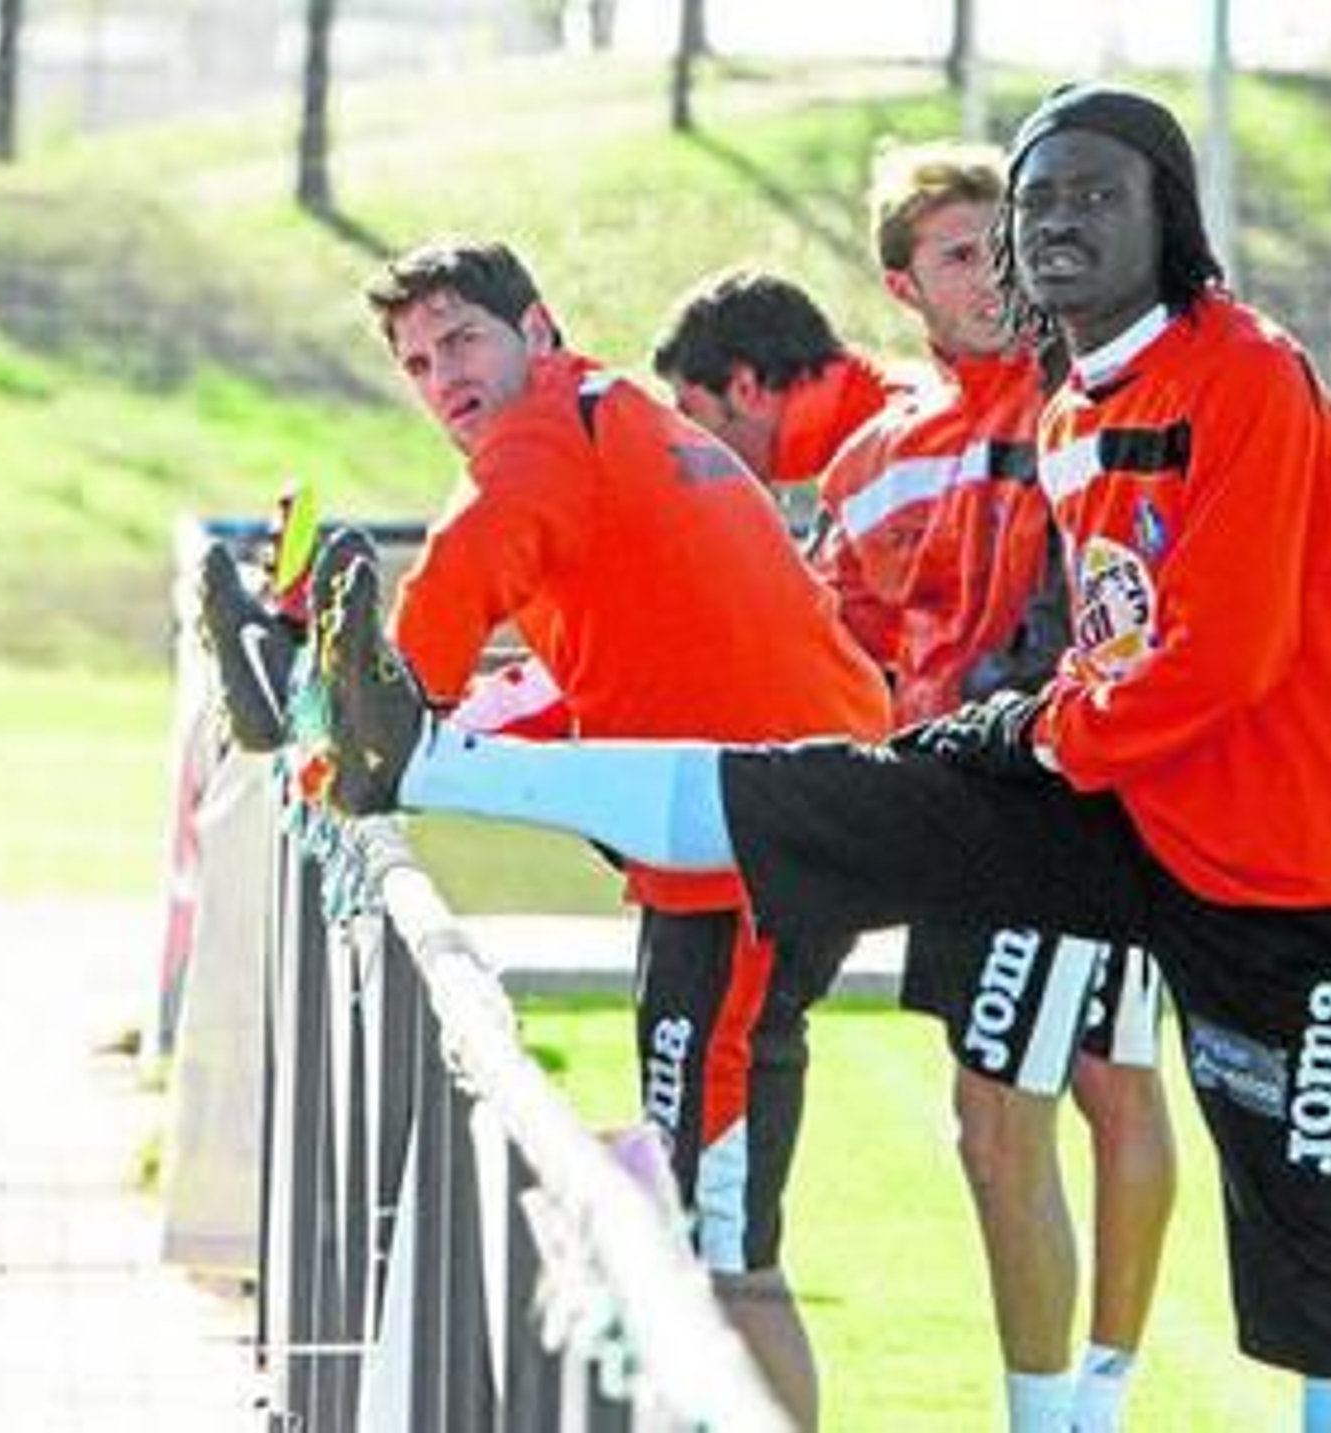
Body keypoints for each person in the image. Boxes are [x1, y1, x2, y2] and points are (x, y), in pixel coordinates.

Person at [301, 84, 1331, 1433]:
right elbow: (1109, 640)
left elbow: (1220, 656)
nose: (1061, 221)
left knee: (1321, 1263)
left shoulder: (1244, 373)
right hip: (1126, 802)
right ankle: (425, 763)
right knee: (807, 804)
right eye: (1037, 204)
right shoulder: (1075, 406)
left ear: (1169, 215)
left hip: (1293, 870)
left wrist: (1037, 726)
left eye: (1098, 192)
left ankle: (1095, 1395)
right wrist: (1016, 729)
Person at [205, 237, 892, 1430]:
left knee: (710, 1247)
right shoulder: (607, 413)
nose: (444, 378)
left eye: (462, 339)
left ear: (536, 326)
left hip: (745, 854)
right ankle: (312, 710)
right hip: (779, 826)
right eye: (418, 362)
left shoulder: (541, 440)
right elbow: (562, 674)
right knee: (707, 1230)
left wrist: (351, 711)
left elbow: (416, 663)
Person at [667, 142, 1176, 1431]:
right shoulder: (875, 458)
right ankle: (1070, 1401)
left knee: (1052, 1101)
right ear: (905, 288)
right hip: (942, 802)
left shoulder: (1083, 389)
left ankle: (1077, 1400)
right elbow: (834, 637)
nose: (993, 268)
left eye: (999, 238)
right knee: (1025, 1108)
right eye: (958, 252)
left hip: (1069, 797)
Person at [651, 266, 899, 531]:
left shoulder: (891, 455)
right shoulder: (861, 436)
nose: (684, 442)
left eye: (688, 414)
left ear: (747, 388)